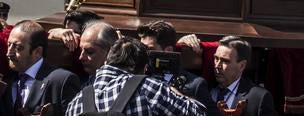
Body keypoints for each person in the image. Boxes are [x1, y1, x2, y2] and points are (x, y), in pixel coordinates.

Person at [66, 37, 205, 116]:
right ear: (143, 69)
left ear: (106, 62)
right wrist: (173, 90)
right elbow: (198, 114)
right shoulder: (149, 88)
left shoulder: (75, 103)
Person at [2, 20, 80, 115]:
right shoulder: (6, 78)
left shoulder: (62, 81)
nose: (9, 53)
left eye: (18, 48)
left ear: (38, 52)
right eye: (9, 45)